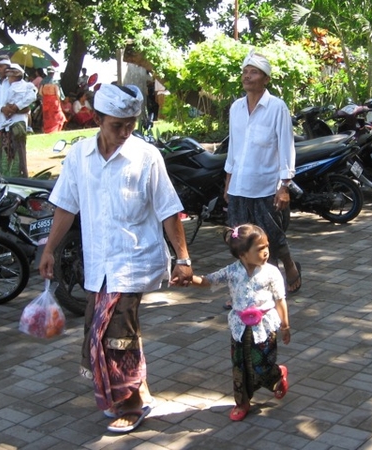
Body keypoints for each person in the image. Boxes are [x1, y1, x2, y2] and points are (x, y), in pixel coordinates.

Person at [38, 83, 193, 434]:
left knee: (117, 333)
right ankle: (139, 391)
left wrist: (182, 257)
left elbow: (169, 210)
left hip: (134, 261)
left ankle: (132, 404)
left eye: (131, 124)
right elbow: (65, 206)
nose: (125, 132)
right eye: (117, 125)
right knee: (99, 327)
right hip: (99, 265)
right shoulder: (79, 156)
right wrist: (49, 250)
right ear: (97, 118)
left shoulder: (146, 155)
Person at [175, 224, 290, 421]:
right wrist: (188, 279)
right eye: (260, 249)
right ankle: (242, 402)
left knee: (262, 364)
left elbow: (280, 299)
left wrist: (285, 326)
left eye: (267, 247)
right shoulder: (231, 271)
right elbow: (208, 281)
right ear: (243, 254)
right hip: (239, 327)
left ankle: (277, 374)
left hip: (264, 327)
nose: (266, 252)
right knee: (239, 365)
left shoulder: (271, 272)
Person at [224, 50, 302, 299]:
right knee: (240, 241)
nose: (247, 76)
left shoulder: (277, 107)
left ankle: (288, 265)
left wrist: (284, 186)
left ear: (266, 78)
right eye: (245, 72)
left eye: (254, 72)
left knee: (273, 237)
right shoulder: (236, 108)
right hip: (239, 186)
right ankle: (245, 289)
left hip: (267, 185)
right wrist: (227, 181)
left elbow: (286, 147)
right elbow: (233, 149)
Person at [0, 57, 36, 177]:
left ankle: (22, 179)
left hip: (17, 124)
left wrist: (16, 107)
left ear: (7, 67)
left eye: (1, 66)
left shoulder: (19, 83)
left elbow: (31, 95)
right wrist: (2, 108)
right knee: (3, 154)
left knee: (19, 154)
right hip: (3, 124)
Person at [39, 66, 67, 133]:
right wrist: (59, 101)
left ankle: (47, 130)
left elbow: (40, 92)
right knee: (57, 115)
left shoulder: (43, 82)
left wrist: (45, 97)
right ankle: (55, 130)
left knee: (47, 116)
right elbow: (57, 93)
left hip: (46, 100)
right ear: (53, 73)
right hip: (54, 101)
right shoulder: (55, 82)